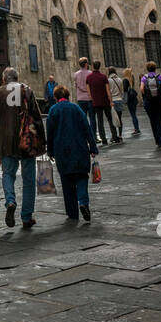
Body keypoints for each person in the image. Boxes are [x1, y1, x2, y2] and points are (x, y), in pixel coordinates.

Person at [0, 66, 45, 230]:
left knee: (8, 174)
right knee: (29, 180)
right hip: (26, 142)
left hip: (6, 142)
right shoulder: (27, 90)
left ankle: (10, 201)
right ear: (17, 78)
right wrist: (42, 140)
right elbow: (36, 116)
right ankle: (27, 216)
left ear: (3, 79)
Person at [46, 84, 98, 222]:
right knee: (81, 177)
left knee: (67, 181)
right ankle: (83, 202)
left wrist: (49, 150)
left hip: (62, 151)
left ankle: (72, 213)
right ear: (68, 95)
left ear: (56, 97)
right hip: (79, 148)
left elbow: (50, 133)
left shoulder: (53, 110)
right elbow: (87, 128)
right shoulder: (76, 108)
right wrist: (93, 147)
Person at [87, 60, 121, 145]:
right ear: (99, 67)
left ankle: (103, 139)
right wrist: (111, 101)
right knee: (110, 119)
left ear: (93, 67)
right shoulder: (103, 77)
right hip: (105, 101)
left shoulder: (89, 77)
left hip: (96, 102)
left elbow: (88, 91)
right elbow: (108, 90)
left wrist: (92, 99)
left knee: (100, 120)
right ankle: (114, 136)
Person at [139, 62, 161, 149]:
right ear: (155, 68)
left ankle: (157, 141)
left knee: (153, 121)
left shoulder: (144, 78)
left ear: (147, 69)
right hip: (160, 101)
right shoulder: (159, 77)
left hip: (149, 103)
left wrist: (147, 97)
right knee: (160, 121)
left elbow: (141, 89)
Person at [73, 57, 97, 143]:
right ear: (86, 64)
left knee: (82, 118)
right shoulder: (90, 73)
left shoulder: (76, 74)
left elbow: (76, 85)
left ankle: (83, 136)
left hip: (81, 98)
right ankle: (93, 136)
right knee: (92, 118)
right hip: (89, 98)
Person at [107, 67, 124, 138]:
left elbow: (108, 91)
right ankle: (120, 134)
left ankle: (115, 135)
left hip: (112, 101)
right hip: (119, 100)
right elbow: (122, 90)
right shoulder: (120, 79)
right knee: (119, 118)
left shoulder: (108, 80)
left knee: (112, 119)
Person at [123, 68, 141, 134]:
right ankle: (137, 128)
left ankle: (136, 129)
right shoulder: (132, 78)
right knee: (134, 114)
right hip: (134, 98)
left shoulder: (125, 80)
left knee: (133, 114)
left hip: (129, 99)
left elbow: (125, 89)